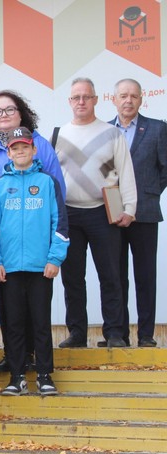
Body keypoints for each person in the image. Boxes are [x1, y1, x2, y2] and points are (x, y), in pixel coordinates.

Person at [0, 89, 66, 373]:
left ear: (21, 112)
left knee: (35, 306)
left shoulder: (40, 144)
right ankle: (15, 357)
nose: (3, 115)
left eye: (9, 109)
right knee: (7, 300)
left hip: (35, 244)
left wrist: (52, 249)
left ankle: (34, 355)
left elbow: (56, 194)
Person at [0, 127, 69, 396]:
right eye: (15, 148)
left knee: (41, 323)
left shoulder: (47, 182)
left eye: (25, 147)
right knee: (14, 324)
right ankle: (17, 376)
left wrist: (54, 258)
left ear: (34, 150)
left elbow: (60, 224)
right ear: (8, 153)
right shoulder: (0, 185)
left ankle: (44, 375)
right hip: (8, 268)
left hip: (40, 267)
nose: (20, 151)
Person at [54, 77, 136, 349]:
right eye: (76, 97)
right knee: (72, 279)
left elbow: (125, 171)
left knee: (111, 276)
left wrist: (130, 208)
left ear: (96, 100)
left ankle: (114, 333)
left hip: (104, 213)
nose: (81, 102)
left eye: (86, 97)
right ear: (69, 101)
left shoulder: (112, 133)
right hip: (68, 216)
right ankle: (77, 333)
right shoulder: (58, 135)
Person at [109, 78, 167, 348]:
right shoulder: (104, 131)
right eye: (123, 95)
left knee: (145, 276)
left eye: (133, 96)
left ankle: (146, 335)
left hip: (144, 213)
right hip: (112, 214)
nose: (128, 100)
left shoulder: (157, 129)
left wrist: (149, 192)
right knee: (115, 276)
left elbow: (164, 169)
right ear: (114, 99)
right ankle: (118, 334)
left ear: (141, 99)